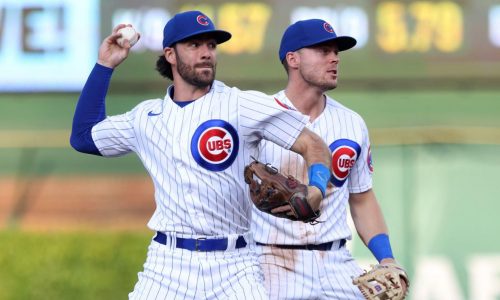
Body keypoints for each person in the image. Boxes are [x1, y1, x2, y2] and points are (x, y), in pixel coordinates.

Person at [69, 11, 333, 300]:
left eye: (211, 45)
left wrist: (317, 187)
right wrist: (104, 65)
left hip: (236, 265)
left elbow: (313, 144)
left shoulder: (240, 105)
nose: (206, 53)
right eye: (194, 45)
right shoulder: (145, 117)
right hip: (167, 265)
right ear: (170, 54)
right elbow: (83, 137)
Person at [251, 19, 408, 299]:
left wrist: (386, 258)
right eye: (323, 51)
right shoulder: (258, 117)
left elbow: (362, 199)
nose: (334, 58)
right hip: (272, 262)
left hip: (336, 262)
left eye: (336, 51)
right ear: (293, 59)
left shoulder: (351, 123)